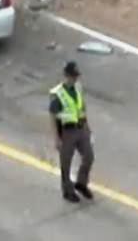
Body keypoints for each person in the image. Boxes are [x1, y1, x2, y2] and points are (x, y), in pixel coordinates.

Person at [49, 60, 95, 203]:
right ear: (66, 76)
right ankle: (67, 190)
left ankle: (81, 183)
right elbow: (52, 115)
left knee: (89, 157)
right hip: (67, 132)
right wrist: (56, 138)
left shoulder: (78, 88)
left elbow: (82, 108)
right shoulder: (59, 94)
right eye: (72, 76)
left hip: (81, 129)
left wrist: (87, 126)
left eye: (76, 76)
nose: (75, 79)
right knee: (66, 163)